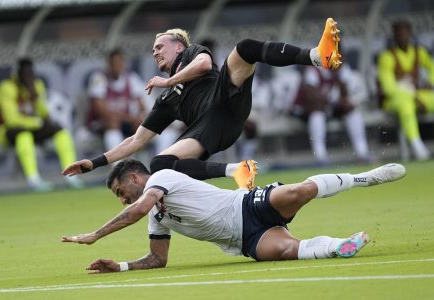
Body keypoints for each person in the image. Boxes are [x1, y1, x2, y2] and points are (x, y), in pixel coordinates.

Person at [62, 18, 342, 190]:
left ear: (179, 46)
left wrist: (168, 81)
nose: (155, 52)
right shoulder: (166, 100)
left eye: (160, 46)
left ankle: (319, 56)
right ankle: (236, 170)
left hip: (225, 99)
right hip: (210, 128)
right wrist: (93, 163)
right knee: (161, 163)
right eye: (153, 50)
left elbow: (205, 64)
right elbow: (136, 140)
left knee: (245, 48)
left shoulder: (191, 54)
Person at [62, 159, 405, 273]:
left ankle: (365, 178)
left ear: (136, 178)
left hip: (246, 205)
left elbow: (135, 210)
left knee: (299, 192)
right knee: (288, 250)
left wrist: (94, 234)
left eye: (121, 191)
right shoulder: (157, 215)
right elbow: (157, 258)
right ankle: (339, 246)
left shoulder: (160, 178)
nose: (122, 200)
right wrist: (121, 266)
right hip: (245, 240)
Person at [0, 58, 83, 191]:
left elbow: (42, 112)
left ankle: (71, 175)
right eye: (25, 74)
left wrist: (35, 97)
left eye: (30, 73)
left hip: (33, 128)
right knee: (24, 135)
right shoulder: (7, 87)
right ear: (18, 74)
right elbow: (11, 120)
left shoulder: (36, 84)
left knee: (61, 132)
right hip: (6, 131)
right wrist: (37, 122)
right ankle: (33, 179)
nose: (28, 76)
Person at [377, 19, 434, 161]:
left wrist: (430, 82)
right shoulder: (387, 56)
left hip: (418, 95)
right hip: (395, 99)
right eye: (399, 33)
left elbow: (432, 67)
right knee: (405, 105)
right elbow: (389, 87)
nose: (402, 36)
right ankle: (418, 147)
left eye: (405, 33)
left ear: (410, 34)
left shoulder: (419, 52)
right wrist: (414, 96)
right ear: (394, 36)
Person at [292, 63, 371, 164]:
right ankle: (320, 156)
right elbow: (311, 97)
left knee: (351, 110)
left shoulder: (342, 67)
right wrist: (332, 102)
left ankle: (362, 152)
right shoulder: (314, 69)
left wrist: (343, 98)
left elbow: (345, 93)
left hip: (329, 107)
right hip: (305, 110)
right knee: (317, 113)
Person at [87, 48, 148, 152]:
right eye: (114, 63)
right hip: (100, 123)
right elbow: (100, 111)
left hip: (125, 122)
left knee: (141, 125)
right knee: (113, 122)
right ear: (109, 64)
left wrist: (138, 118)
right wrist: (129, 118)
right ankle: (116, 164)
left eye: (119, 62)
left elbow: (142, 106)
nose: (117, 66)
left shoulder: (131, 78)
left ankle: (137, 163)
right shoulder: (99, 79)